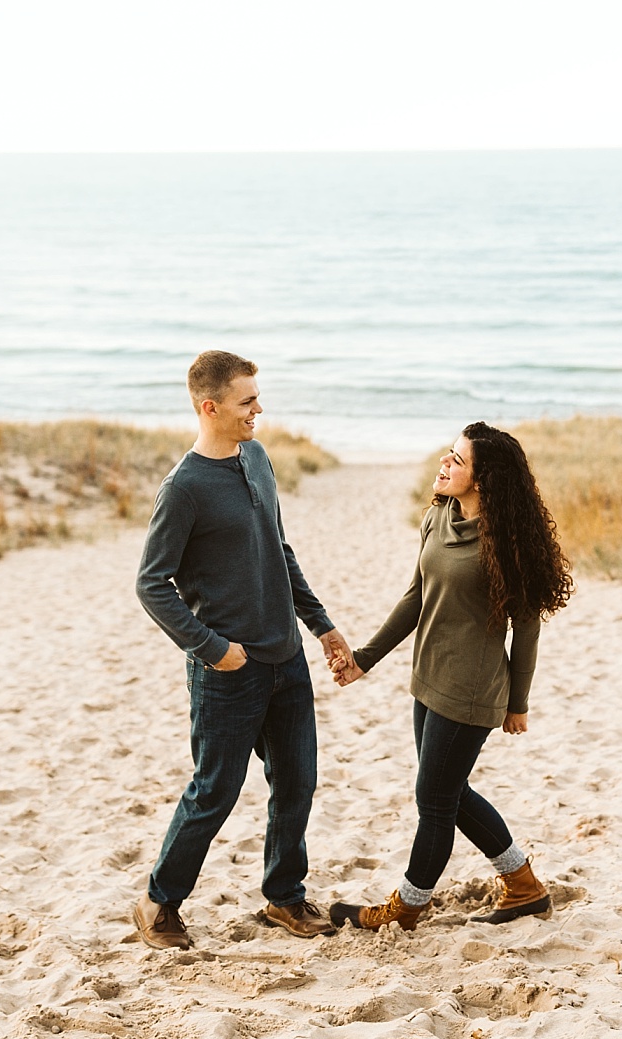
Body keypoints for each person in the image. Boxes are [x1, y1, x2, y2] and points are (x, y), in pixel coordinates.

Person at [133, 351, 355, 950]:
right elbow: (152, 584)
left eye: (257, 397)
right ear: (211, 407)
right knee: (214, 793)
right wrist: (212, 649)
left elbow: (279, 550)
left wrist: (322, 626)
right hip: (229, 671)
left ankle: (283, 898)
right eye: (247, 401)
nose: (259, 408)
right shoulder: (183, 490)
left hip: (286, 658)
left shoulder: (256, 458)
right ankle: (158, 903)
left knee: (297, 782)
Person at [328, 422, 573, 932]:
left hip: (473, 688)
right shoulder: (439, 517)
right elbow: (415, 598)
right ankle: (524, 887)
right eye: (448, 455)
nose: (444, 465)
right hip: (428, 677)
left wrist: (518, 703)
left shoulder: (507, 543)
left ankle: (406, 908)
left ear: (484, 479)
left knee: (434, 801)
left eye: (457, 461)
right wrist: (363, 659)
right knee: (449, 791)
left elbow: (526, 631)